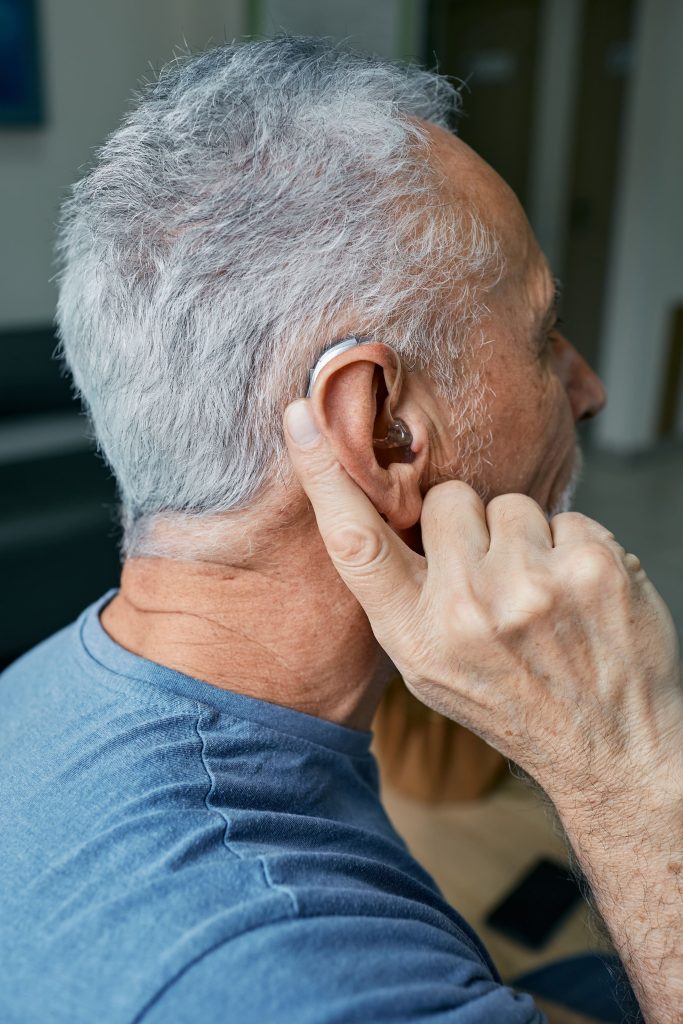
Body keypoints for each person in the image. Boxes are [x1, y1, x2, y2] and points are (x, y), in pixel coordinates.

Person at [1, 36, 680, 1024]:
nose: (585, 386)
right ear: (383, 431)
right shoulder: (295, 982)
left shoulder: (40, 684)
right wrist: (626, 768)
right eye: (539, 336)